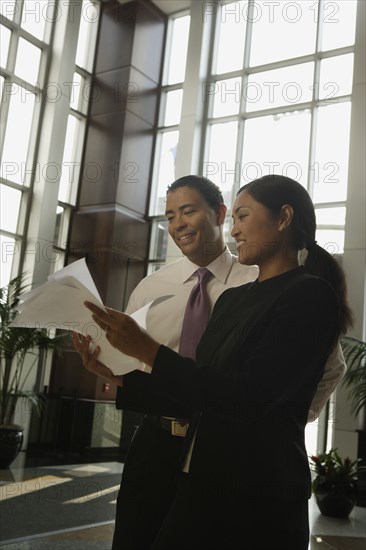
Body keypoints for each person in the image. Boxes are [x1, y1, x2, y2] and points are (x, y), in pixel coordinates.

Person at [74, 175, 347, 550]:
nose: (235, 230)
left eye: (243, 216)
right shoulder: (234, 299)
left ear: (284, 218)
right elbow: (204, 392)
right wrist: (120, 379)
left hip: (256, 486)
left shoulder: (309, 295)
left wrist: (149, 351)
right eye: (233, 219)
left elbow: (247, 397)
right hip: (201, 474)